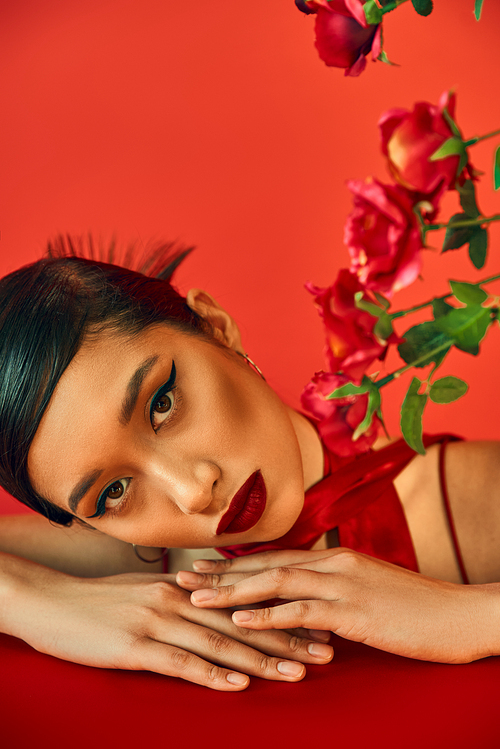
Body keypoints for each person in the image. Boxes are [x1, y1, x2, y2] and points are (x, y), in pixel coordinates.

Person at [0, 237, 499, 692]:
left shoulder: (468, 493)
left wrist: (465, 616)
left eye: (162, 404)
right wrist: (41, 602)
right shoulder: (143, 568)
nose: (193, 493)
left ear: (215, 327)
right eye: (113, 493)